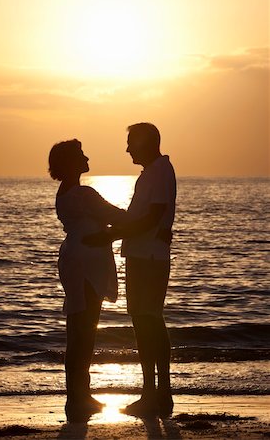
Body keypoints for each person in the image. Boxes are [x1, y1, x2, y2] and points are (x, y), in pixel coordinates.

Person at [84, 122, 176, 417]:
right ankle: (156, 392)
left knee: (147, 322)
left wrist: (109, 235)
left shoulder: (160, 172)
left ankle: (156, 393)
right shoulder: (152, 173)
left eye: (130, 143)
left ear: (145, 143)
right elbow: (143, 218)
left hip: (148, 257)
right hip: (144, 255)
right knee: (147, 321)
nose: (126, 149)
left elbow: (152, 218)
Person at [48, 139, 126, 421]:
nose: (86, 156)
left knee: (79, 330)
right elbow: (117, 216)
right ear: (71, 162)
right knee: (83, 330)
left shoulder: (67, 192)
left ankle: (80, 395)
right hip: (85, 262)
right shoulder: (83, 194)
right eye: (81, 154)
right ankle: (77, 398)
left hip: (76, 259)